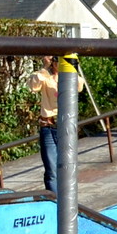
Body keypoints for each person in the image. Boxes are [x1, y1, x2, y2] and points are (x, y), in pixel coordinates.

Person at [27, 55, 84, 193]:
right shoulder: (45, 77)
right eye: (57, 60)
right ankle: (54, 198)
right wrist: (45, 67)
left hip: (66, 126)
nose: (59, 63)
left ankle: (68, 197)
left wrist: (71, 67)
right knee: (51, 169)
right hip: (48, 125)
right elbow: (33, 86)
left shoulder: (70, 78)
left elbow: (79, 86)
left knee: (68, 167)